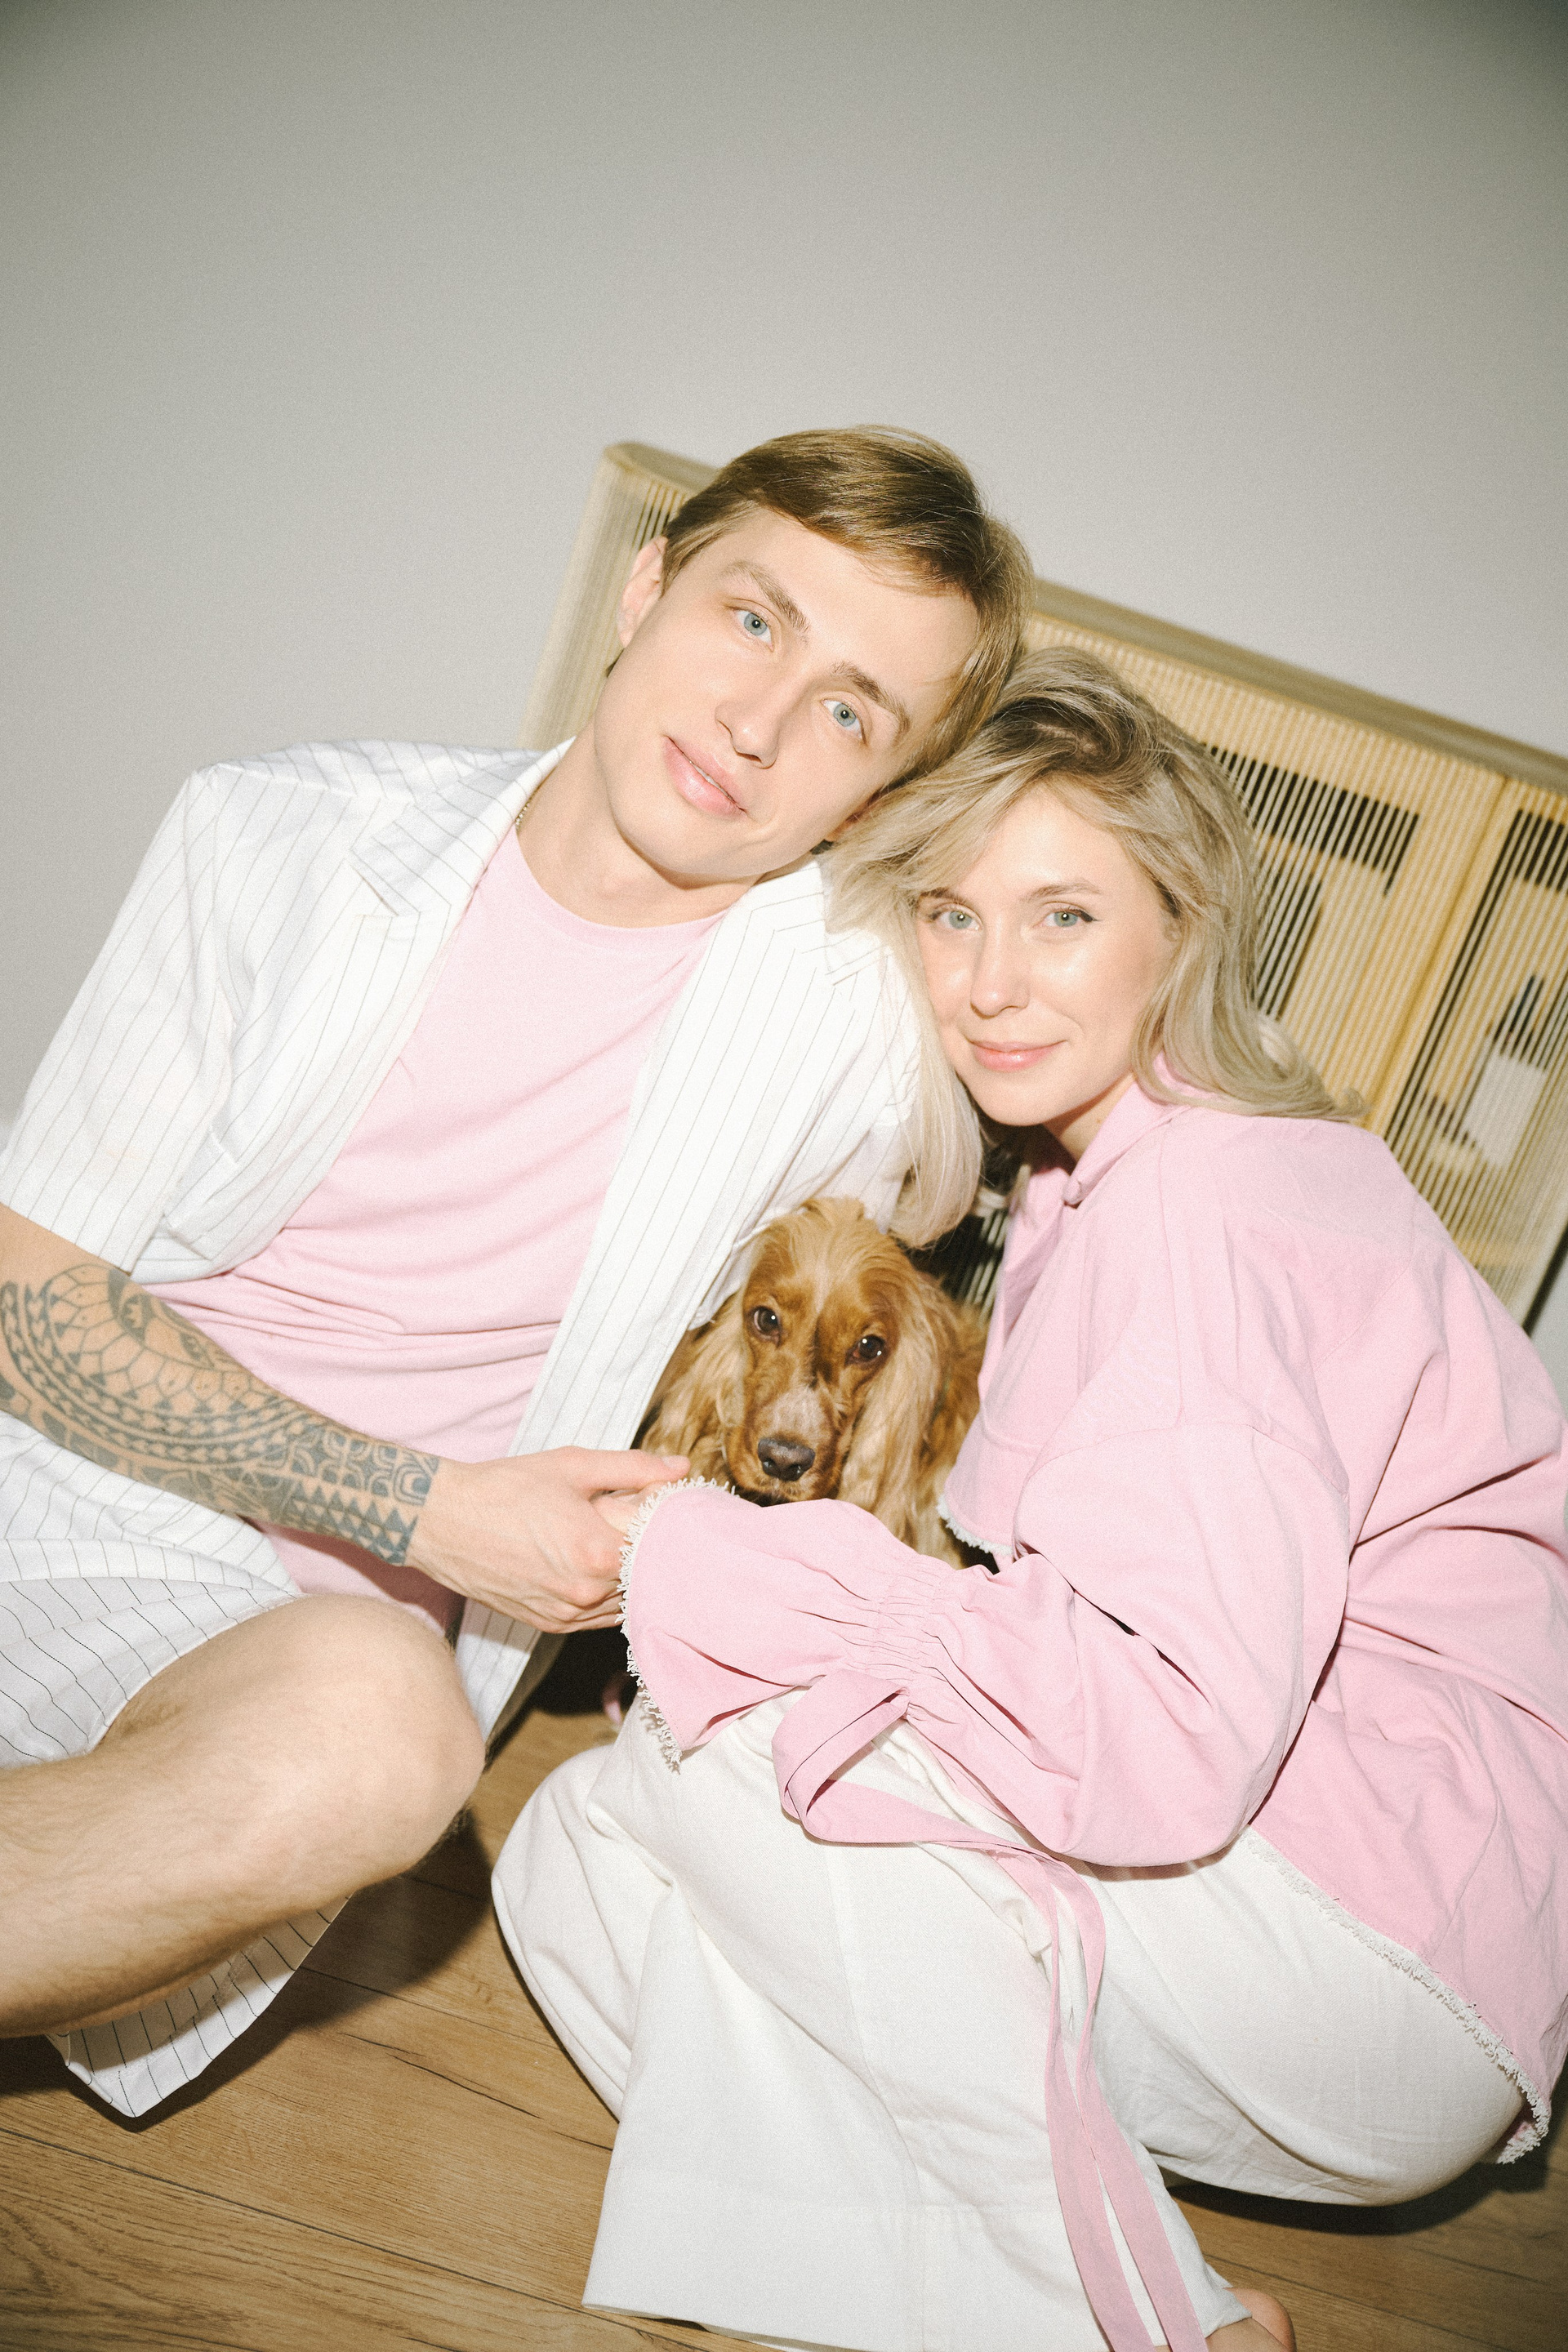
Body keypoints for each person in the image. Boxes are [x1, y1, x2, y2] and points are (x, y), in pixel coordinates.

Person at [497, 648, 1568, 2352]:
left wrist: (685, 1556)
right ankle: (997, 2286)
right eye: (952, 914)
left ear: (1181, 931)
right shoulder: (1105, 1180)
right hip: (1318, 1939)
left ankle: (1159, 2322)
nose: (990, 982)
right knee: (576, 1860)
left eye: (1062, 917)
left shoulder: (1198, 1212)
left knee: (729, 1740)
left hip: (1367, 1947)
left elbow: (1165, 1741)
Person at [0, 427, 1032, 2119]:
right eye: (753, 619)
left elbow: (1084, 1084)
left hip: (285, 1657)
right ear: (647, 584)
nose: (760, 724)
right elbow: (27, 1300)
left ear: (880, 798)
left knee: (383, 1738)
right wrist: (422, 1507)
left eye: (852, 713)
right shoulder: (279, 836)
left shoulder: (856, 1031)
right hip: (52, 1475)